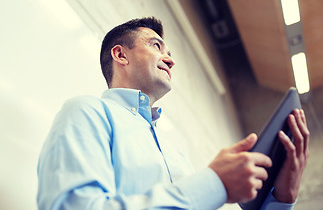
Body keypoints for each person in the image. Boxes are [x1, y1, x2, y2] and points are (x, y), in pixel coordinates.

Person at [37, 17, 309, 210]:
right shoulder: (86, 111)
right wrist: (215, 183)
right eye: (156, 46)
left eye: (168, 51)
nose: (170, 58)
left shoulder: (175, 156)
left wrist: (281, 199)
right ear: (120, 55)